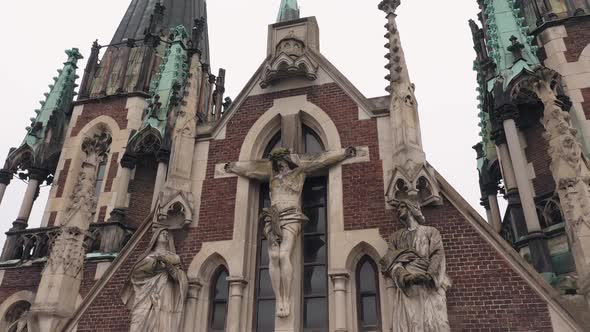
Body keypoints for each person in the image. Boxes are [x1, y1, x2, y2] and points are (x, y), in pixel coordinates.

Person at [225, 146, 355, 318]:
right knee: (274, 256)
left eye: (281, 161)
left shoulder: (299, 172)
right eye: (277, 163)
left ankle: (286, 299)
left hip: (292, 216)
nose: (279, 165)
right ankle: (279, 299)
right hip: (273, 217)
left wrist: (342, 153)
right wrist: (233, 167)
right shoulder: (272, 175)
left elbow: (320, 160)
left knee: (284, 255)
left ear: (287, 160)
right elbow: (252, 169)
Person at [380, 199, 451, 332]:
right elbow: (390, 262)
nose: (398, 210)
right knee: (410, 323)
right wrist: (406, 277)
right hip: (408, 288)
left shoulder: (431, 232)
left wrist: (429, 275)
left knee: (436, 323)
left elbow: (437, 254)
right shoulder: (395, 237)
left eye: (402, 206)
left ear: (411, 209)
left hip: (429, 285)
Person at [121, 228, 188, 331]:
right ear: (155, 237)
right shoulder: (146, 256)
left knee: (162, 318)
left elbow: (179, 277)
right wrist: (153, 263)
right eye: (162, 233)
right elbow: (136, 274)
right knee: (138, 320)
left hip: (165, 288)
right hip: (145, 292)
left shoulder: (174, 257)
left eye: (167, 234)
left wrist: (167, 264)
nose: (165, 235)